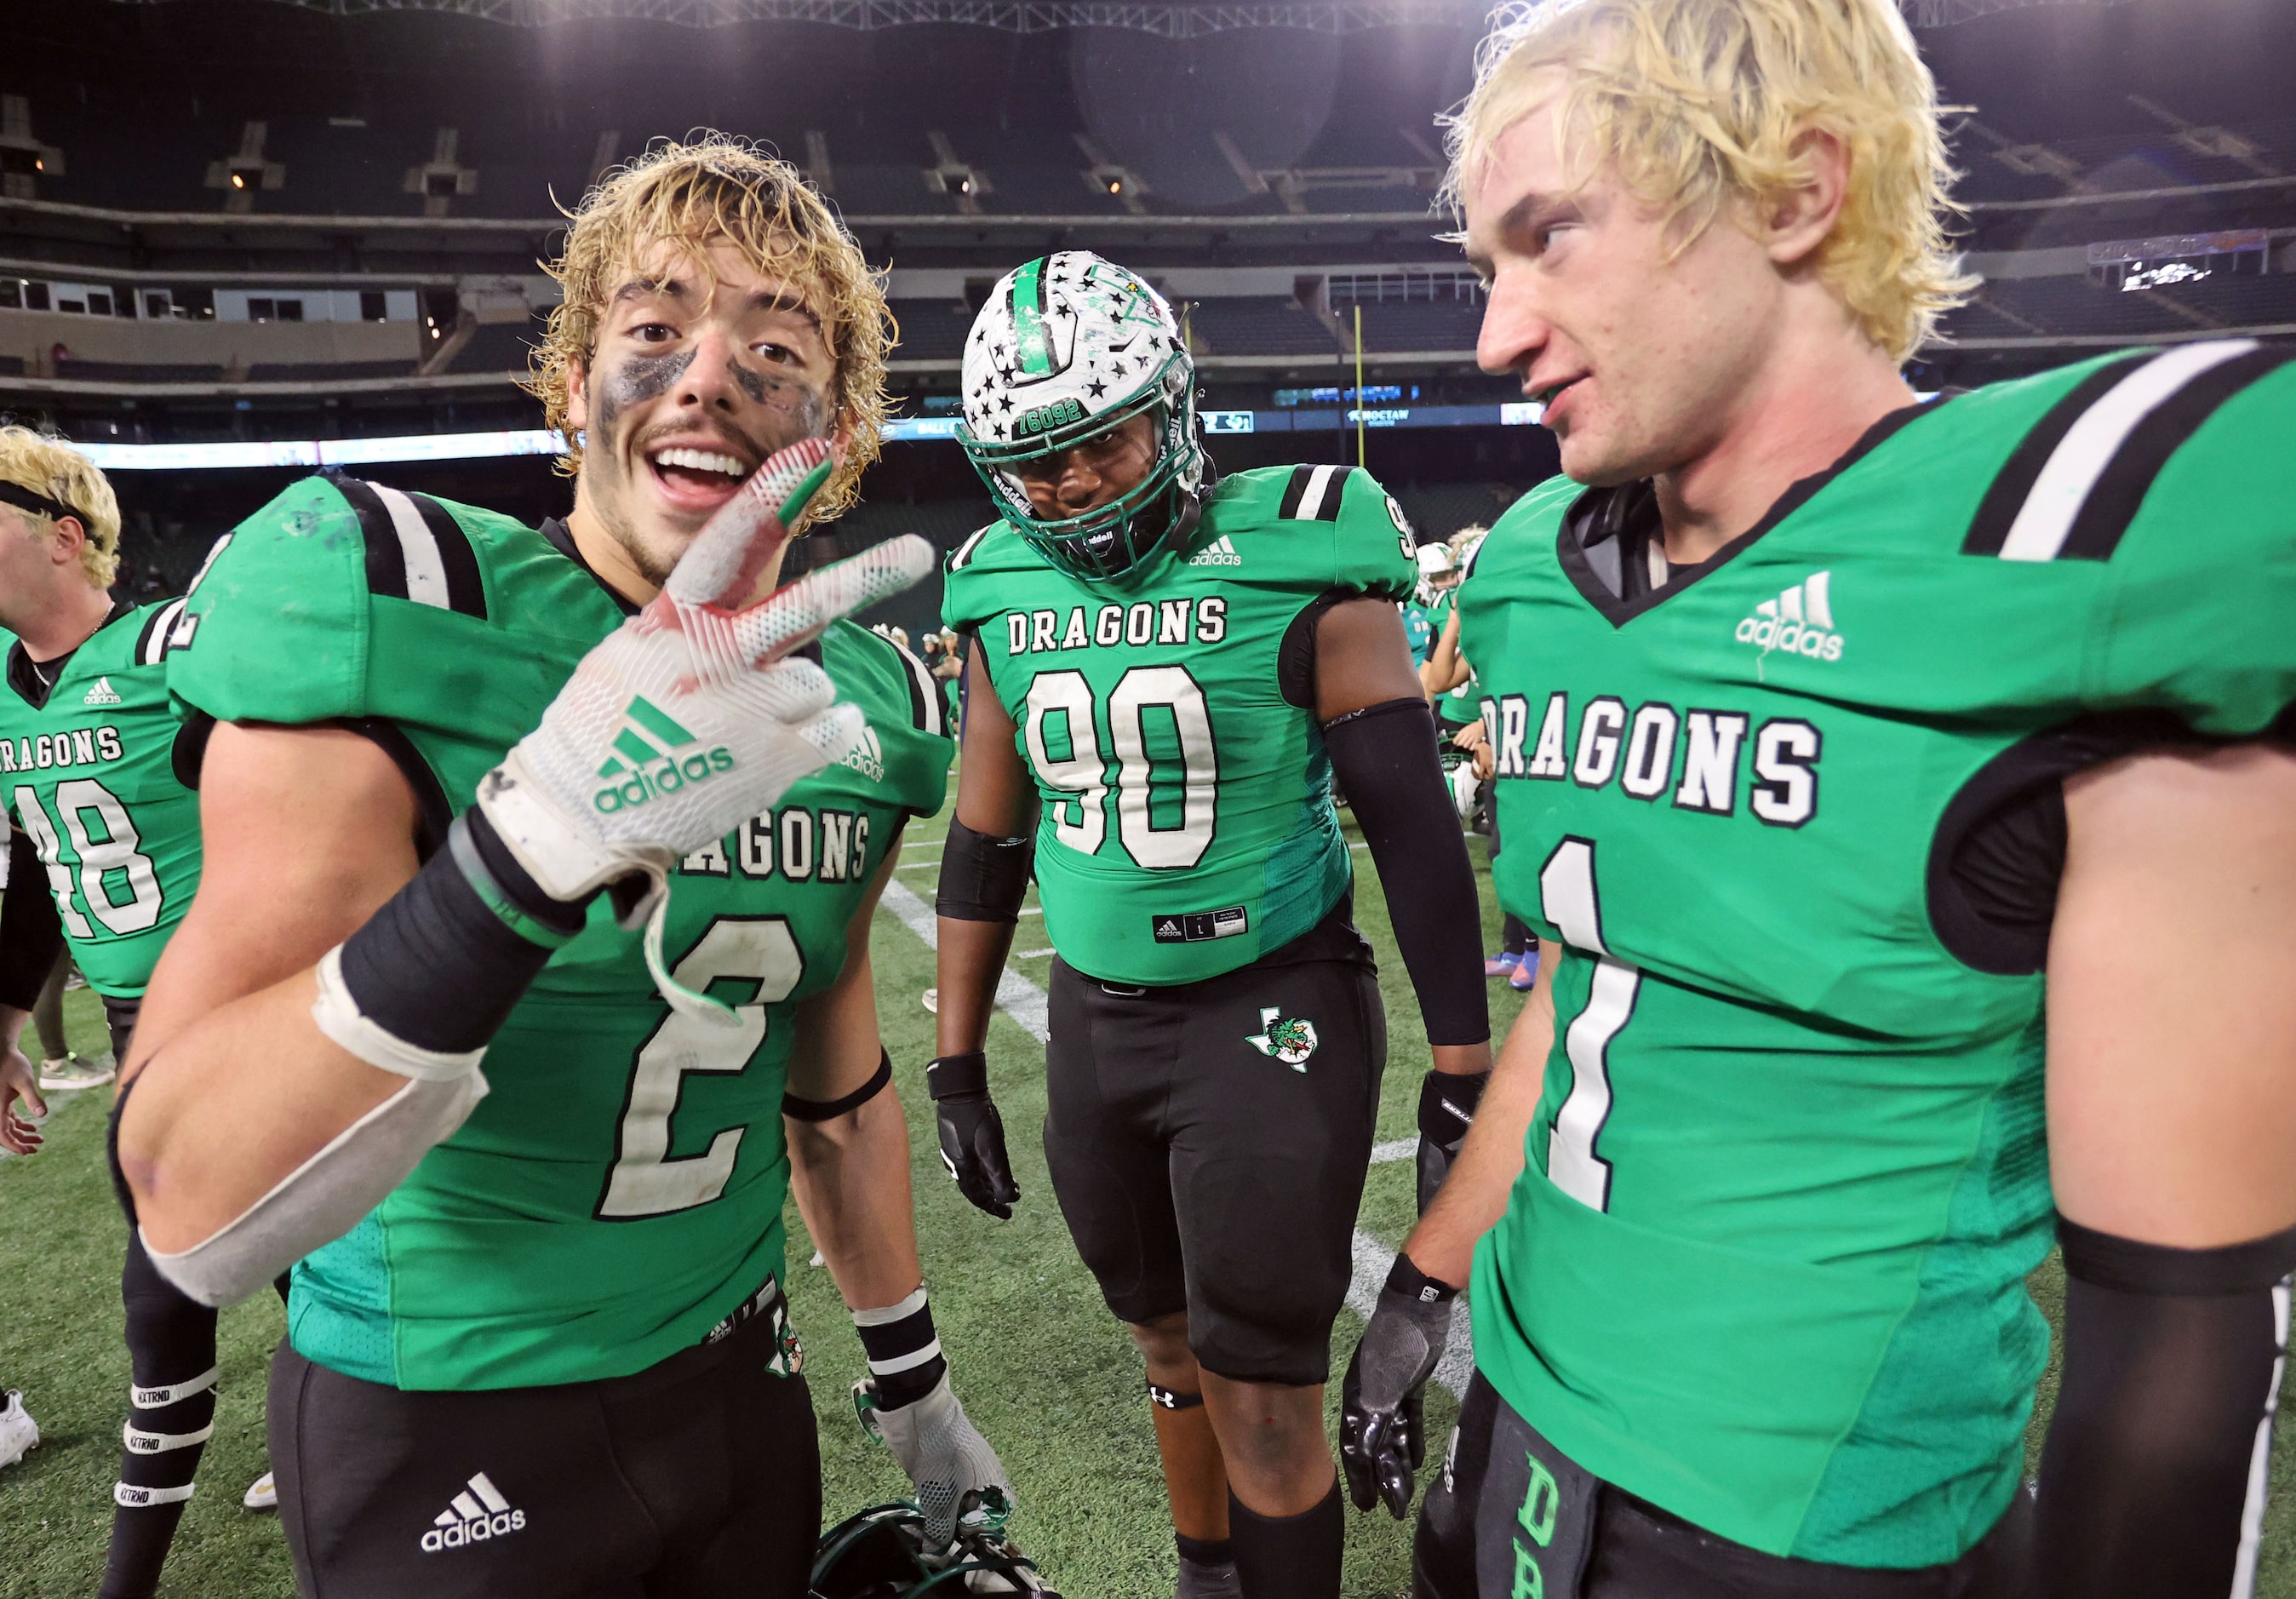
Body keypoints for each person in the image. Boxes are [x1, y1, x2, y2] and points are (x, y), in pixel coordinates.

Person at [1339, 3, 2296, 1596]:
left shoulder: (2068, 539)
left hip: (1797, 1527)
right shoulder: (1525, 576)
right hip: (1511, 1409)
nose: (1496, 334)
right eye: (1486, 267)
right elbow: (1588, 975)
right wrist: (1429, 1278)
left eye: (1551, 235)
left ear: (1792, 195)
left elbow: (2181, 1312)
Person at [112, 138, 1005, 1597]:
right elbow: (189, 1194)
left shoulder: (857, 708)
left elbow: (833, 1097)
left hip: (739, 1388)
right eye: (654, 331)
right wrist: (532, 843)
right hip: (448, 1424)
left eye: (773, 346)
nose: (709, 374)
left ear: (835, 435)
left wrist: (910, 1380)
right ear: (571, 385)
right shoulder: (397, 599)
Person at [929, 252, 1492, 1599]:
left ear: (1173, 411)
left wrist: (1463, 1065)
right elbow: (984, 833)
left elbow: (1410, 820)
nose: (1064, 487)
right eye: (1035, 462)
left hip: (1266, 1001)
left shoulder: (1305, 531)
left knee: (1258, 1382)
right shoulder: (1000, 580)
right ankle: (1204, 1575)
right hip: (1095, 1019)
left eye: (1095, 443)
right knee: (1163, 1346)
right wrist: (954, 1059)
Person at [0, 427, 277, 1597]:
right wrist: (4, 1018)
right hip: (134, 1019)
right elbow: (32, 863)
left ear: (62, 535)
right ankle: (345, 1425)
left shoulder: (176, 646)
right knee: (269, 1259)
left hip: (251, 1002)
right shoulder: (8, 691)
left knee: (181, 1285)